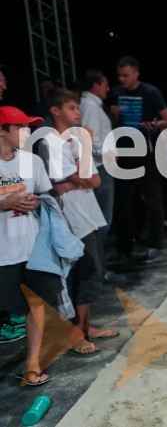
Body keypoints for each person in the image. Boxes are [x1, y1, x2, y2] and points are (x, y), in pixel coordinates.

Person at [39, 89, 115, 356]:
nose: (78, 112)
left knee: (94, 269)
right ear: (56, 111)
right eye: (72, 107)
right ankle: (76, 333)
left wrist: (72, 180)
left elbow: (94, 180)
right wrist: (77, 173)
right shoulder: (53, 142)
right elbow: (73, 179)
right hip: (71, 217)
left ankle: (85, 326)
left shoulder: (74, 140)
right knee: (82, 271)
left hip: (88, 212)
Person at [0, 106, 58, 383]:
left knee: (35, 303)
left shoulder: (32, 161)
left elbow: (46, 196)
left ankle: (32, 364)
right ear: (2, 131)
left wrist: (36, 202)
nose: (28, 132)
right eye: (20, 127)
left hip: (32, 247)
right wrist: (5, 203)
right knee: (12, 308)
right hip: (3, 252)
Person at [109, 55, 167, 264]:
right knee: (125, 202)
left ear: (136, 74)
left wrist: (156, 124)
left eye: (125, 75)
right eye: (119, 75)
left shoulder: (150, 92)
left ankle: (156, 244)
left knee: (153, 198)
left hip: (147, 152)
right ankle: (125, 246)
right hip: (124, 153)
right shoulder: (115, 93)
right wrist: (114, 115)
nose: (122, 79)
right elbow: (110, 123)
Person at [79, 70, 117, 276]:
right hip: (100, 167)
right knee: (102, 221)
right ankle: (97, 270)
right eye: (105, 84)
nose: (108, 88)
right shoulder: (90, 106)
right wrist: (109, 152)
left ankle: (99, 268)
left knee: (103, 220)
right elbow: (89, 138)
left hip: (100, 165)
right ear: (95, 86)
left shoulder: (92, 105)